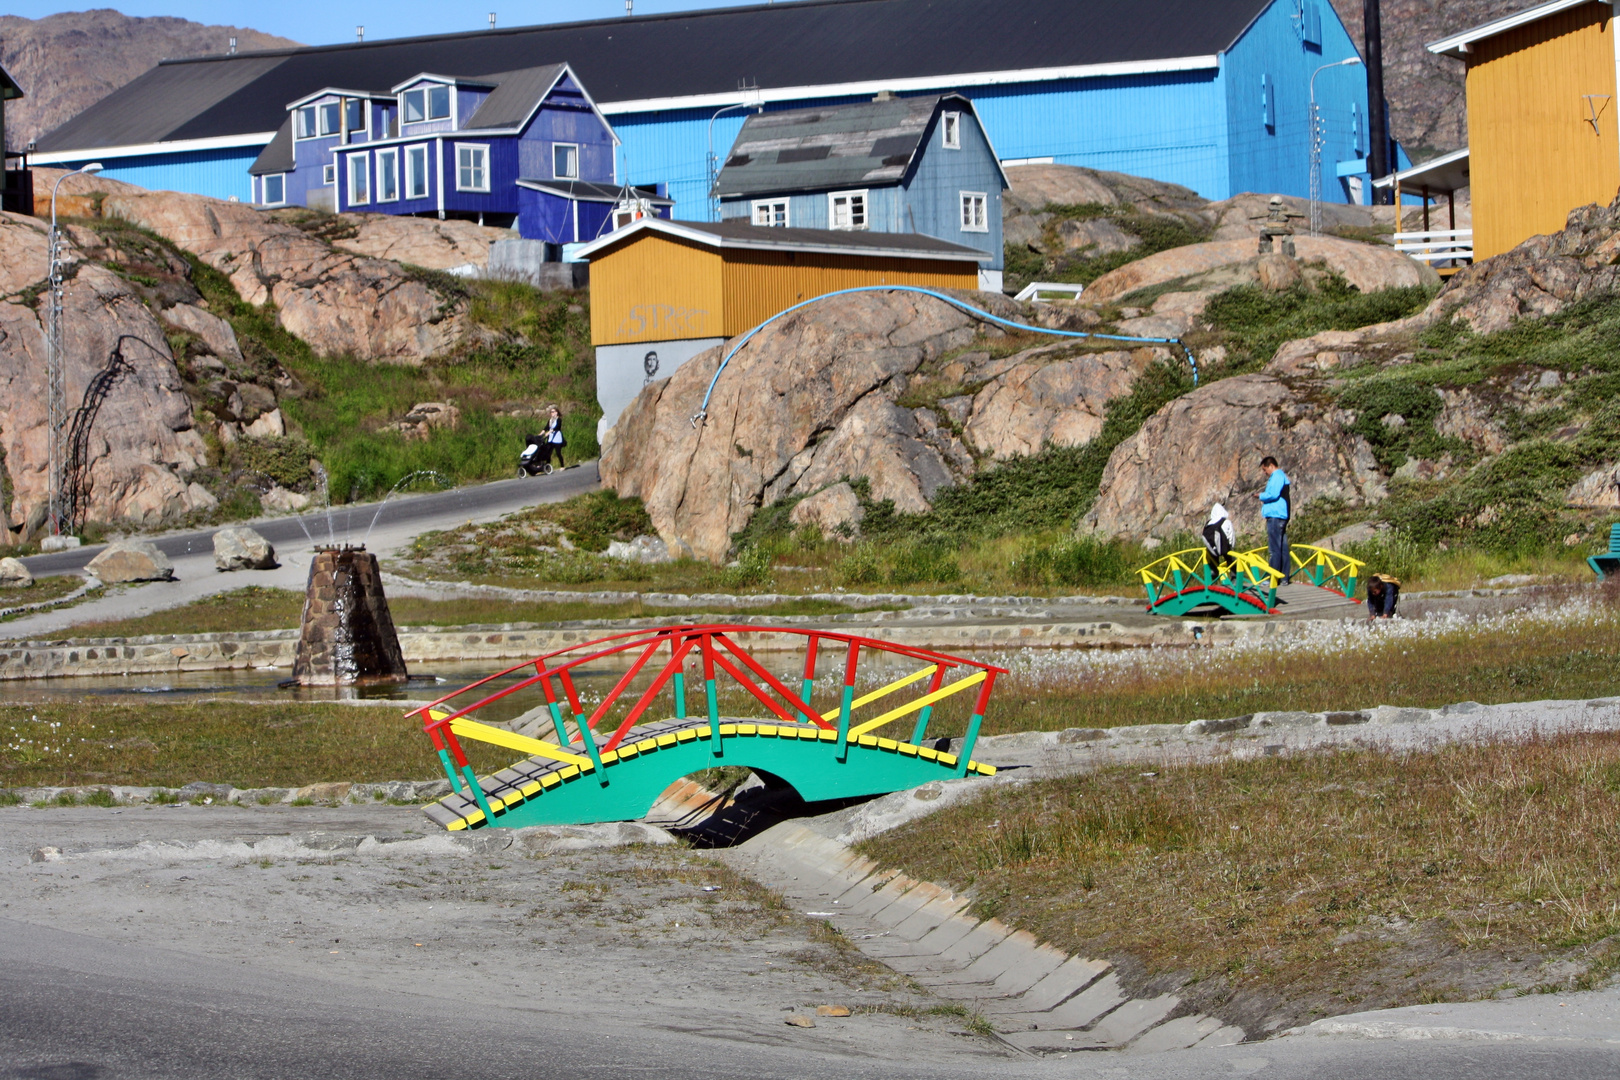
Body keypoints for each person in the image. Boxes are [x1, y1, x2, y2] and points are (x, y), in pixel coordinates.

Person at [1256, 455, 1291, 581]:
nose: (1265, 473)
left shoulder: (1276, 476)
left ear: (1271, 466)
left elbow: (1273, 494)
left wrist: (1260, 495)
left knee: (1274, 549)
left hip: (1275, 515)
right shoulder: (1281, 476)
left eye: (1265, 470)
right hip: (1280, 515)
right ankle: (1284, 577)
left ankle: (1273, 578)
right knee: (1282, 547)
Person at [1201, 502, 1235, 577]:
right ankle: (1234, 578)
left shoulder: (1209, 523)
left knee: (1212, 559)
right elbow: (1231, 536)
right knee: (1231, 560)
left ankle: (1213, 573)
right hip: (1225, 547)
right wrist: (1231, 546)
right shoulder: (1226, 522)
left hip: (1212, 549)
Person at [541, 405, 566, 470]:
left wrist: (549, 432)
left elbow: (557, 427)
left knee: (558, 453)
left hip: (557, 439)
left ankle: (562, 466)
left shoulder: (559, 420)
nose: (551, 413)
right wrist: (541, 433)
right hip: (551, 439)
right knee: (548, 453)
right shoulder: (550, 420)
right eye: (551, 412)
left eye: (553, 412)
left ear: (556, 412)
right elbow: (546, 427)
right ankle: (547, 467)